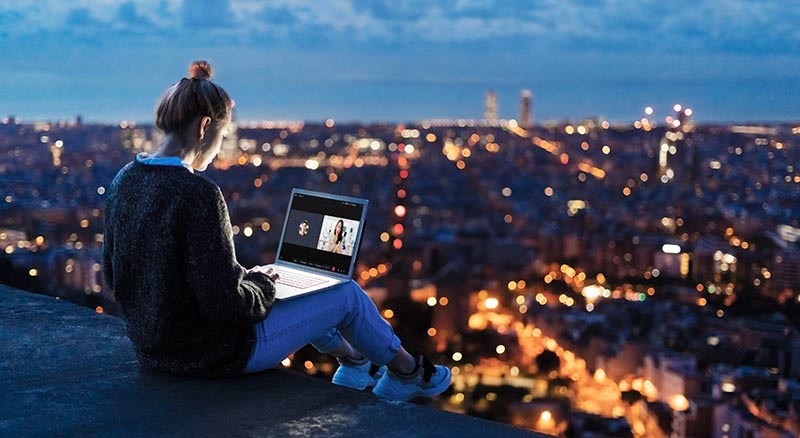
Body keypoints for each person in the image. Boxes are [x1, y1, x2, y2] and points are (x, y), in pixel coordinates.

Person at [102, 61, 450, 401]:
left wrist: (247, 279)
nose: (220, 148)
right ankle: (408, 372)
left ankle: (355, 363)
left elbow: (114, 275)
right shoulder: (198, 194)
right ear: (205, 126)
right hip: (211, 353)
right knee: (344, 294)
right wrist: (263, 286)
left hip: (152, 349)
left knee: (295, 290)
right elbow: (230, 305)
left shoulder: (125, 179)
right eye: (222, 136)